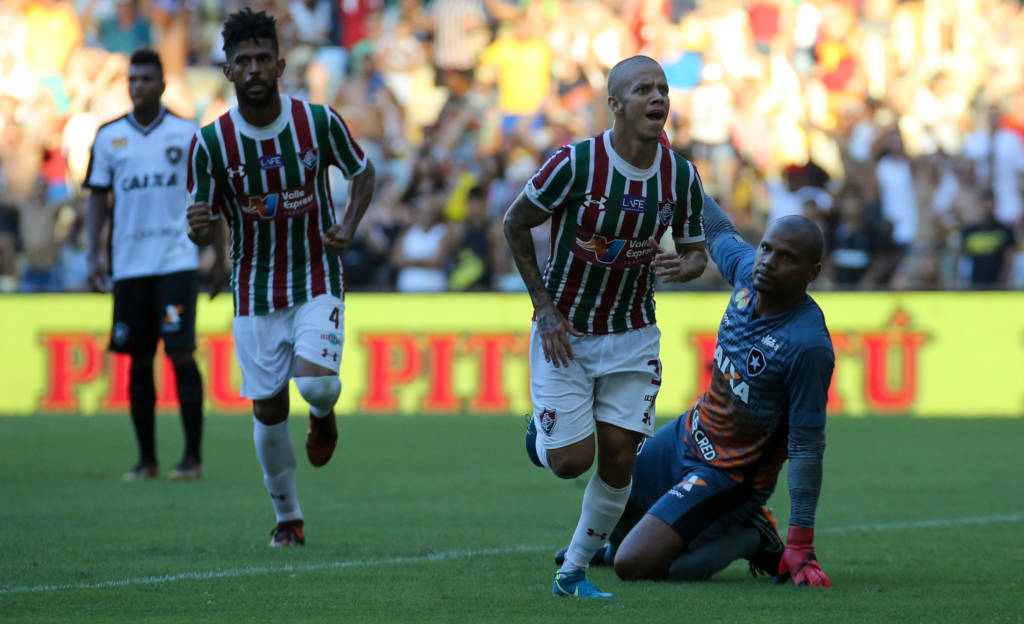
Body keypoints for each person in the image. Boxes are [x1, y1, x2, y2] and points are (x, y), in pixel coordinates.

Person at [503, 55, 708, 599]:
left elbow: (695, 253)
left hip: (634, 332)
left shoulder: (681, 175)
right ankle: (541, 436)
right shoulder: (575, 164)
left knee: (619, 458)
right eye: (644, 89)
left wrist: (684, 266)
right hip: (566, 333)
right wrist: (543, 306)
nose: (658, 97)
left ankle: (573, 572)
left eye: (662, 89)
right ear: (615, 104)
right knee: (571, 461)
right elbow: (515, 222)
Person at [556, 193, 834, 588]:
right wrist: (674, 176)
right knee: (611, 481)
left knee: (632, 565)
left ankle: (753, 535)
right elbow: (717, 229)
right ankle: (620, 544)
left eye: (786, 257)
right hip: (689, 435)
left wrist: (801, 541)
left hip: (731, 475)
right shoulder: (747, 272)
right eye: (766, 248)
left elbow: (806, 446)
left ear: (812, 273)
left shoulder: (808, 345)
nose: (768, 261)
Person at [185, 9, 376, 547]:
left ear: (280, 65)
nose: (253, 68)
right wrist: (199, 233)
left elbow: (363, 173)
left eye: (262, 58)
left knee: (317, 384)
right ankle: (288, 518)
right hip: (253, 286)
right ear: (228, 70)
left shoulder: (318, 122)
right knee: (268, 408)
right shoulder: (212, 143)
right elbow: (203, 222)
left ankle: (323, 414)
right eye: (242, 60)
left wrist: (348, 225)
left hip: (316, 273)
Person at [84, 49, 205, 482]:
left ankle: (191, 457)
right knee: (137, 360)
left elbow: (211, 194)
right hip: (130, 264)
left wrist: (217, 252)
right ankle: (147, 460)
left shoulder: (187, 132)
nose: (138, 86)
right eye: (133, 80)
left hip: (176, 260)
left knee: (180, 353)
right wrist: (94, 254)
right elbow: (97, 199)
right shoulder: (109, 136)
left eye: (147, 79)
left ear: (163, 85)